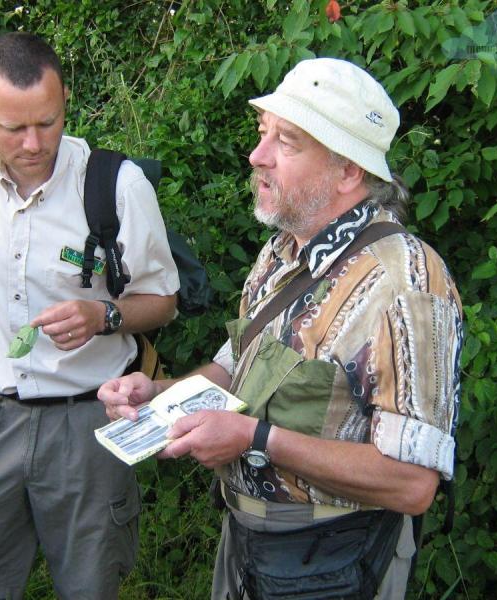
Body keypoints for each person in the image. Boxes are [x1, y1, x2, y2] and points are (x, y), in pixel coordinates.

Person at [98, 58, 463, 599]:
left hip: (336, 562)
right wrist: (158, 395)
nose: (256, 155)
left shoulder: (405, 282)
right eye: (263, 133)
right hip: (248, 546)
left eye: (286, 142)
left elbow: (412, 484)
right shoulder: (281, 251)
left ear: (348, 171)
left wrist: (255, 438)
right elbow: (235, 368)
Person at [0, 32, 179, 599]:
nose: (35, 142)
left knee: (88, 586)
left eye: (49, 121)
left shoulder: (116, 184)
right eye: (14, 128)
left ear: (64, 103)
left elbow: (164, 300)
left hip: (89, 424)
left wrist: (102, 316)